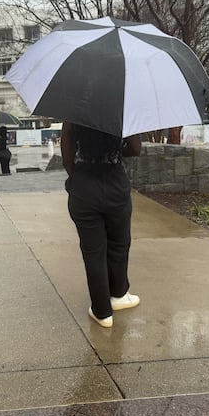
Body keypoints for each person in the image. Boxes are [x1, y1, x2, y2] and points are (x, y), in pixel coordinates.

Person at [61, 122, 142, 328]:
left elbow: (67, 157)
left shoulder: (74, 112)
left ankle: (102, 312)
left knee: (93, 251)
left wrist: (78, 179)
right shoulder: (121, 112)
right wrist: (117, 151)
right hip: (115, 184)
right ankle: (119, 294)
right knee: (119, 243)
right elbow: (135, 149)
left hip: (84, 187)